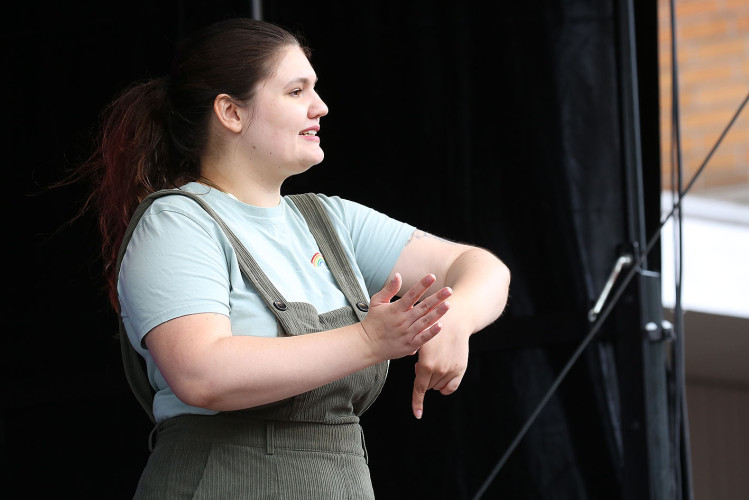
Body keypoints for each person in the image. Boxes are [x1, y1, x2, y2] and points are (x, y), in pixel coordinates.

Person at [79, 17, 509, 499]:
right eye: (295, 91)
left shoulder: (329, 220)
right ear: (230, 112)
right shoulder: (178, 222)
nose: (320, 106)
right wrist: (370, 338)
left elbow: (482, 268)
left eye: (315, 89)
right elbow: (201, 373)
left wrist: (456, 321)